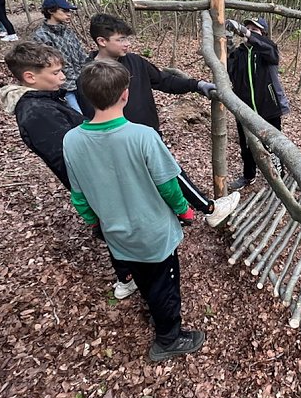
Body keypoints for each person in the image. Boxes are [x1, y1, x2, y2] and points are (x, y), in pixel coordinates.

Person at [63, 59, 205, 362]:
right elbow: (168, 186)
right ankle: (169, 338)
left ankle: (157, 311)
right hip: (153, 232)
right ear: (125, 95)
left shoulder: (71, 140)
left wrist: (94, 222)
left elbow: (78, 194)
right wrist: (184, 212)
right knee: (165, 283)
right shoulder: (143, 136)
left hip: (116, 232)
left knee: (143, 277)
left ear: (86, 96)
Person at [0, 41, 140, 300]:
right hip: (94, 180)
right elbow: (67, 157)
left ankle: (129, 270)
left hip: (97, 176)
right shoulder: (37, 113)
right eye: (54, 73)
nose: (63, 76)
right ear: (30, 77)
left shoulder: (46, 101)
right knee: (113, 223)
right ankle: (128, 275)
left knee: (114, 221)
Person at [77, 13, 239, 227]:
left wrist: (196, 85)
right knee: (170, 172)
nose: (127, 44)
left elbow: (164, 81)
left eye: (128, 38)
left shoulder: (134, 62)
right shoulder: (88, 75)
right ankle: (209, 208)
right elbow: (90, 114)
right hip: (115, 142)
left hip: (148, 133)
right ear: (101, 41)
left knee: (160, 175)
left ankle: (176, 213)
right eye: (121, 39)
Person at [225, 17, 287, 190]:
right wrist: (228, 43)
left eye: (255, 29)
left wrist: (247, 33)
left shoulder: (268, 49)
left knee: (273, 144)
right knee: (246, 146)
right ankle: (248, 176)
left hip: (269, 107)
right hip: (244, 108)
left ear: (263, 33)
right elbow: (231, 73)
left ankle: (279, 176)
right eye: (248, 28)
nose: (250, 31)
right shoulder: (240, 53)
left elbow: (271, 52)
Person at [32, 0, 90, 113]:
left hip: (82, 84)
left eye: (69, 10)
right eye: (64, 10)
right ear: (51, 11)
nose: (69, 14)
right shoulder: (41, 36)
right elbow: (45, 66)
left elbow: (82, 55)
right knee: (78, 118)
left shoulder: (68, 32)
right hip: (64, 88)